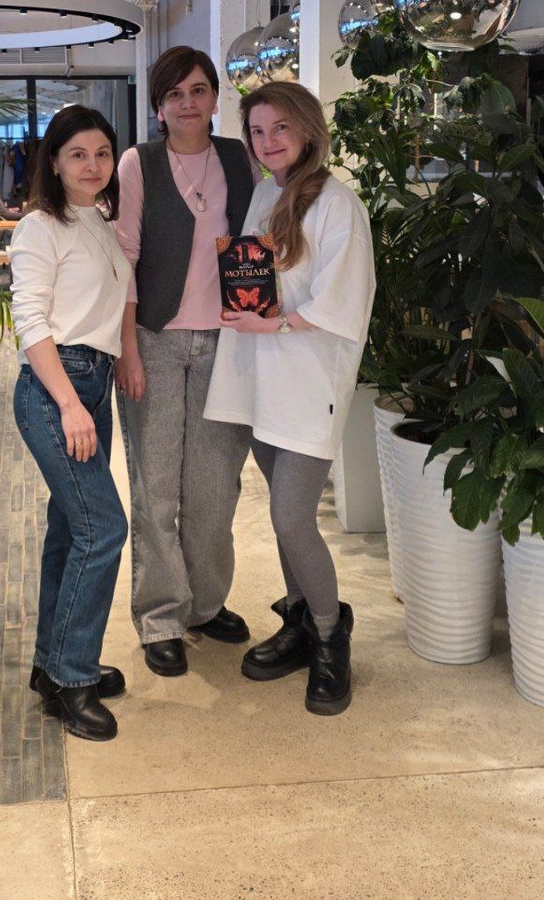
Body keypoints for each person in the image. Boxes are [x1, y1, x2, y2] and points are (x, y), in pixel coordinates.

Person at [204, 81, 375, 717]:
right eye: (257, 131)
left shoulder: (338, 204)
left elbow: (342, 300)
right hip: (264, 380)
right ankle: (301, 619)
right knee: (283, 513)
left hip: (309, 385)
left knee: (290, 517)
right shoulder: (264, 194)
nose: (268, 141)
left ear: (307, 130)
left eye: (280, 128)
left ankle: (331, 635)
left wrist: (271, 324)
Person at [115, 46, 257, 677]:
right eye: (174, 94)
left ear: (215, 97)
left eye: (198, 90)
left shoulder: (240, 157)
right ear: (158, 106)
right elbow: (124, 260)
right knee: (155, 488)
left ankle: (205, 604)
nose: (187, 103)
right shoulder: (138, 163)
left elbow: (260, 241)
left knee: (214, 487)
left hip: (226, 343)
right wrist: (127, 350)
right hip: (155, 340)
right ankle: (161, 617)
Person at [9, 106, 131, 742]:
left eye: (102, 153)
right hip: (57, 388)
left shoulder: (99, 220)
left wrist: (121, 363)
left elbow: (114, 303)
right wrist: (69, 402)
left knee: (70, 528)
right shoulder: (40, 226)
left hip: (94, 382)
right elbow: (31, 322)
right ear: (54, 162)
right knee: (103, 529)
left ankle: (52, 662)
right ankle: (73, 677)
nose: (93, 164)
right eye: (78, 153)